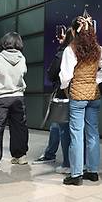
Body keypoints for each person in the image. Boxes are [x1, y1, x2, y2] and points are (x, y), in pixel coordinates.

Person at [59, 14, 102, 186]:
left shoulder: (70, 49)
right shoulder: (99, 49)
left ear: (74, 31)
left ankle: (76, 174)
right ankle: (93, 171)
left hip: (77, 96)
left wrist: (65, 86)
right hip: (94, 95)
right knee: (93, 133)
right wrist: (94, 80)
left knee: (76, 133)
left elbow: (65, 76)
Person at [0, 32, 29, 172]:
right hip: (18, 96)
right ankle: (20, 156)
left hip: (0, 97)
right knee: (19, 127)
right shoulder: (22, 58)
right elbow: (23, 73)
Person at [33, 26, 71, 174]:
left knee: (63, 129)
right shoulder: (83, 52)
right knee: (60, 127)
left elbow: (51, 74)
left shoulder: (63, 54)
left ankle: (68, 162)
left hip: (63, 95)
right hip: (80, 94)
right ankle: (53, 154)